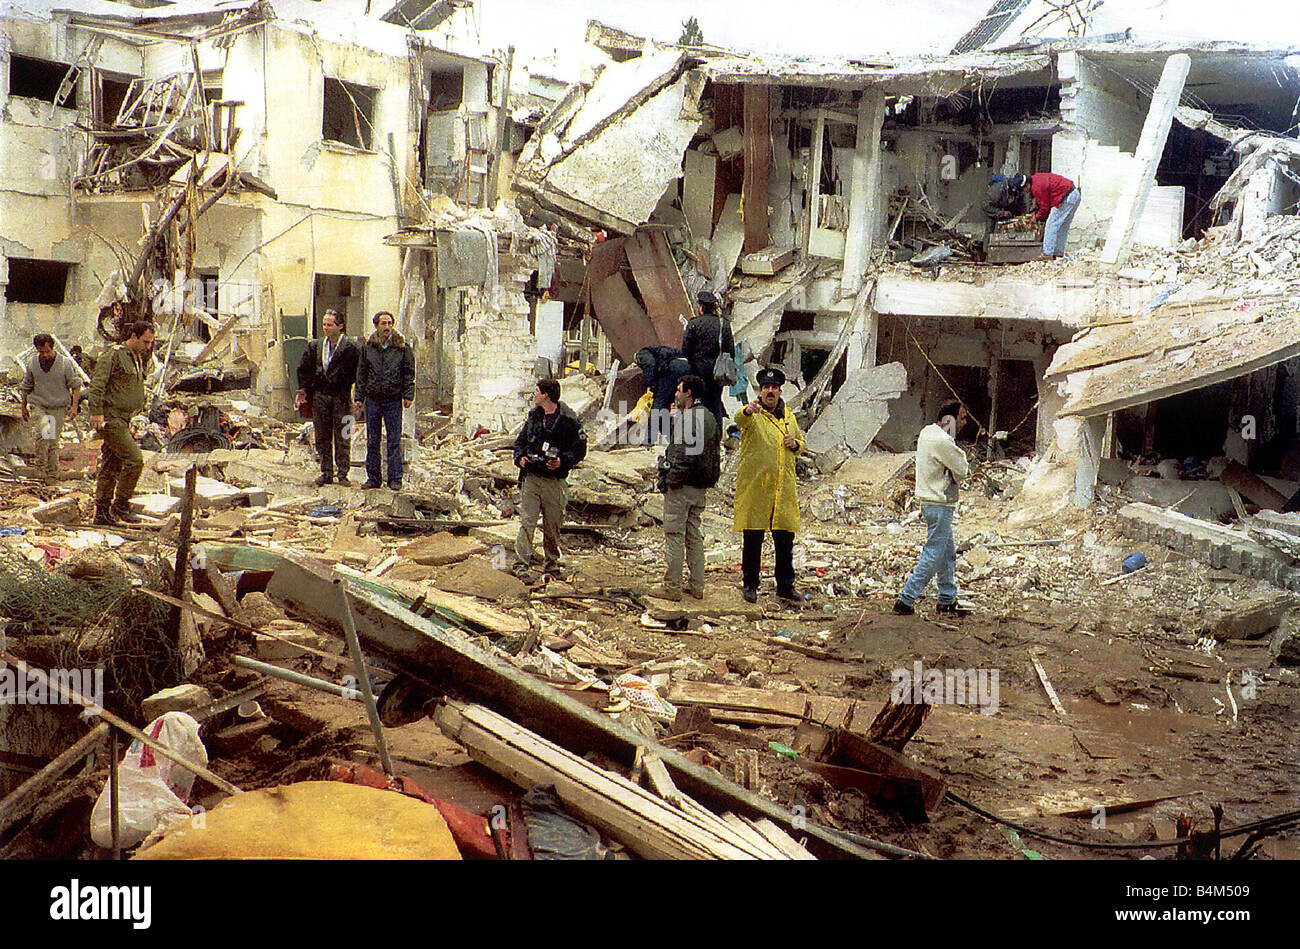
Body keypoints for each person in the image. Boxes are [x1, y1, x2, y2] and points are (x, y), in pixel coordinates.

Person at [732, 367, 805, 605]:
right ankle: (750, 584)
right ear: (760, 392)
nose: (770, 391)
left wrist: (795, 445)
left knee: (784, 539)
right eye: (766, 388)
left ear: (780, 391)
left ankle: (785, 586)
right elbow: (738, 419)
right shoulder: (754, 415)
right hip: (758, 488)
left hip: (782, 490)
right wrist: (747, 409)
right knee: (753, 537)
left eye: (774, 388)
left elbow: (801, 443)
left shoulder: (789, 416)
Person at [895, 401, 972, 617]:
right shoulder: (942, 440)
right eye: (962, 417)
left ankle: (947, 599)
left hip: (931, 502)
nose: (965, 423)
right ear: (949, 420)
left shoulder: (928, 432)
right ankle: (906, 599)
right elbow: (963, 469)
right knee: (934, 554)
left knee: (947, 554)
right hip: (940, 503)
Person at [654, 374, 721, 601]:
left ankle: (671, 588)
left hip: (681, 487)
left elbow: (682, 456)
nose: (676, 393)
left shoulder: (688, 418)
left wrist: (668, 479)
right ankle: (696, 586)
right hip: (700, 488)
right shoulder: (710, 417)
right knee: (693, 536)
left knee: (674, 534)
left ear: (688, 393)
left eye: (679, 389)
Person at [512, 379, 587, 577]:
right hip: (532, 478)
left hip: (554, 482)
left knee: (552, 525)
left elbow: (580, 450)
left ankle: (551, 564)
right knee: (527, 522)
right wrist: (520, 458)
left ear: (546, 395)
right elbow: (519, 443)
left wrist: (562, 461)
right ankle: (521, 565)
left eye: (536, 391)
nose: (533, 395)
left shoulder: (568, 420)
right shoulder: (534, 417)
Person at [86, 321, 154, 526]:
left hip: (124, 419)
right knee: (135, 460)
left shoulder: (136, 359)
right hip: (111, 418)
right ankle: (121, 506)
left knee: (111, 465)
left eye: (150, 343)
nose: (148, 347)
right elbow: (97, 385)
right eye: (145, 342)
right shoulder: (114, 355)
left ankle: (102, 512)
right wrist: (96, 412)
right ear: (133, 336)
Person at [295, 309, 360, 486]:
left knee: (344, 436)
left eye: (329, 325)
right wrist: (303, 389)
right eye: (324, 324)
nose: (325, 328)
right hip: (320, 397)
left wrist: (357, 395)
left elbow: (358, 373)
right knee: (322, 437)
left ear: (340, 326)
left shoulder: (351, 348)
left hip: (342, 397)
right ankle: (326, 472)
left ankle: (343, 474)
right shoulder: (315, 346)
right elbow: (304, 369)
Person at [354, 311, 415, 490]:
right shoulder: (368, 347)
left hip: (393, 400)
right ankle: (373, 478)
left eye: (389, 323)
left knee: (394, 440)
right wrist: (359, 398)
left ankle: (395, 479)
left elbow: (409, 372)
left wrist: (408, 395)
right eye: (383, 323)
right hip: (373, 400)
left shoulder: (402, 347)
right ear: (376, 326)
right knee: (372, 440)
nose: (387, 327)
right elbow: (362, 374)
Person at [20, 334, 82, 483]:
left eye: (47, 351)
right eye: (41, 352)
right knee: (43, 434)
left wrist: (74, 407)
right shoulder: (33, 363)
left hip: (58, 406)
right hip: (39, 404)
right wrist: (24, 407)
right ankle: (41, 469)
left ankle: (53, 472)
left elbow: (76, 385)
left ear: (52, 348)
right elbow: (26, 386)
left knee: (53, 440)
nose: (45, 355)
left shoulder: (65, 364)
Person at [680, 290, 735, 424]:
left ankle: (702, 436)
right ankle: (717, 436)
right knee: (716, 402)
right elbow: (730, 351)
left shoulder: (694, 324)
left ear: (701, 307)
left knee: (700, 403)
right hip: (717, 372)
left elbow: (685, 350)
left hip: (698, 372)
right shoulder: (724, 324)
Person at [1020, 171, 1080, 259]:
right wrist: (1036, 205)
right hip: (1074, 194)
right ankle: (1058, 252)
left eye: (1023, 190)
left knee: (1051, 225)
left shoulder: (1036, 187)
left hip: (1065, 197)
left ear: (1027, 185)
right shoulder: (1036, 178)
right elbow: (1046, 193)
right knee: (1063, 226)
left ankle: (1047, 253)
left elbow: (1045, 207)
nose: (1024, 192)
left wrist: (1036, 217)